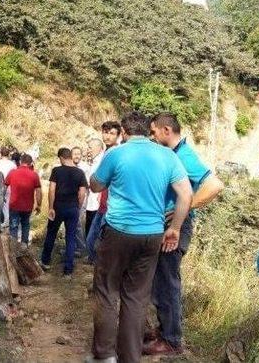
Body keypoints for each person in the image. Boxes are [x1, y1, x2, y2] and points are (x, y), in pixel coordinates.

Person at [88, 112, 193, 363]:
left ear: (124, 132)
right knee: (136, 298)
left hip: (118, 232)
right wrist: (175, 228)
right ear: (149, 130)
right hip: (153, 235)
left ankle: (104, 355)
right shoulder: (168, 156)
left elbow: (95, 186)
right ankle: (130, 358)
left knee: (106, 291)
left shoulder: (116, 153)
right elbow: (186, 195)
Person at [144, 113, 224, 356]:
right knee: (160, 281)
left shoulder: (184, 156)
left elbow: (214, 185)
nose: (152, 136)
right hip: (169, 225)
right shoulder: (173, 154)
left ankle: (172, 341)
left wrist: (185, 206)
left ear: (166, 130)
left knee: (168, 283)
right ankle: (164, 330)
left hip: (177, 227)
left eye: (154, 131)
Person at [40, 147, 87, 278]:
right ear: (70, 156)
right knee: (70, 237)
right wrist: (78, 206)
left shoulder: (56, 170)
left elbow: (51, 190)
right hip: (73, 208)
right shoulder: (80, 172)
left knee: (51, 233)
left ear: (61, 157)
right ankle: (68, 270)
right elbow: (82, 193)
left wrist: (51, 207)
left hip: (58, 207)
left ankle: (45, 261)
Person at [86, 121, 121, 263]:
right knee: (91, 242)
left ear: (119, 135)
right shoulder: (105, 153)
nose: (107, 136)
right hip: (102, 204)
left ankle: (102, 279)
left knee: (101, 244)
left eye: (112, 133)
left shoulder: (117, 153)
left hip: (111, 207)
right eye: (105, 132)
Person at [5, 153, 42, 245]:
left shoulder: (12, 172)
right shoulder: (34, 175)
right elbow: (38, 191)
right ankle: (24, 246)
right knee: (25, 225)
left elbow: (4, 187)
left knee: (13, 226)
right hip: (27, 206)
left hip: (14, 205)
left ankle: (12, 248)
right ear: (30, 163)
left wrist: (2, 199)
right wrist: (39, 205)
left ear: (20, 162)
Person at [84, 138, 104, 239]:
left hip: (97, 202)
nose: (88, 150)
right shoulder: (92, 161)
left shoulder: (102, 161)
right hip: (90, 200)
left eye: (90, 148)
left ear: (99, 148)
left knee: (94, 232)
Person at [0, 147, 17, 227]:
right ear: (9, 154)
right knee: (7, 204)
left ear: (0, 154)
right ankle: (6, 221)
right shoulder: (13, 164)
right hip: (9, 185)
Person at [71, 146, 89, 255]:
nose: (77, 156)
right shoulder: (69, 167)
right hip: (71, 199)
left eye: (78, 153)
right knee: (72, 224)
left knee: (78, 224)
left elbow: (87, 185)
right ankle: (73, 247)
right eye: (74, 154)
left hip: (81, 198)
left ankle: (81, 248)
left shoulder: (85, 167)